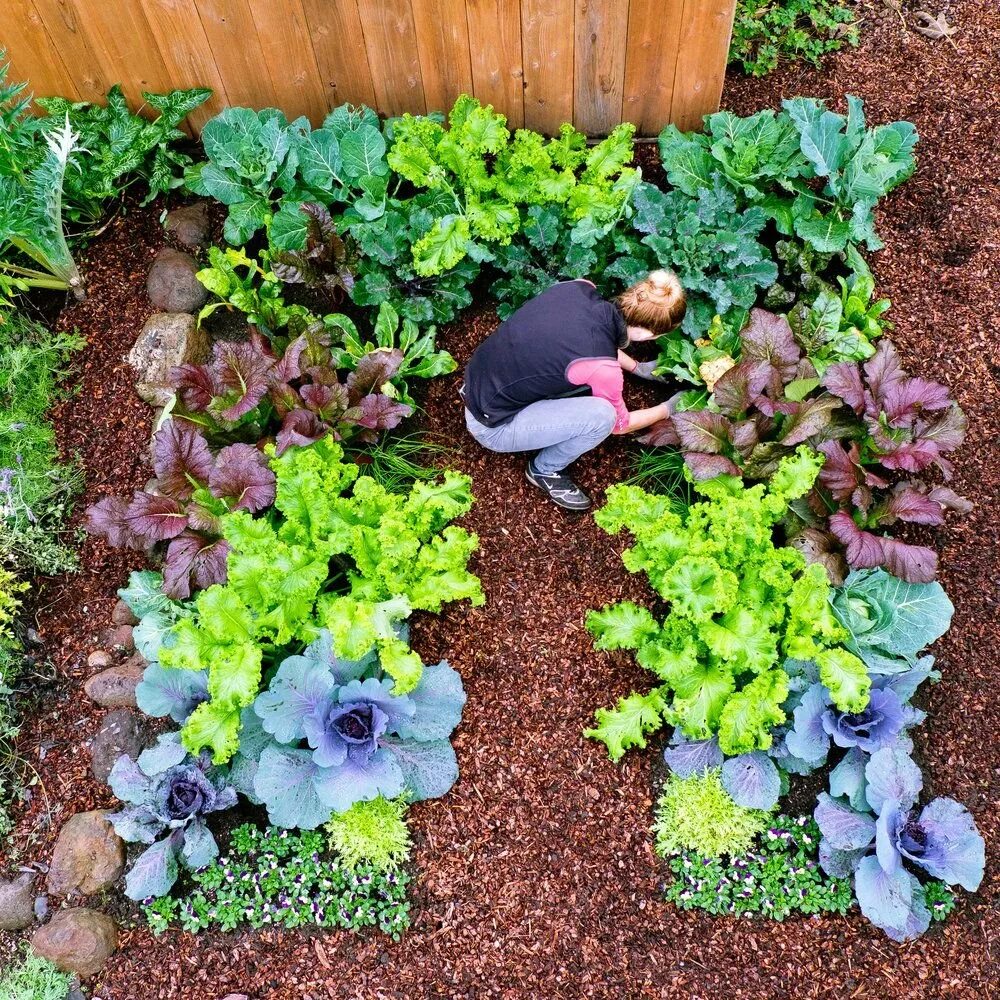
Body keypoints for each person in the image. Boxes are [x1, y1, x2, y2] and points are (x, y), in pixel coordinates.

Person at [460, 270, 686, 510]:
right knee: (603, 417)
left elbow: (591, 340)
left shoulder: (579, 288)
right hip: (491, 426)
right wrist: (668, 408)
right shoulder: (602, 369)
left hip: (476, 382)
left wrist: (637, 368)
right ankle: (544, 470)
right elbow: (620, 426)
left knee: (574, 372)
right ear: (647, 334)